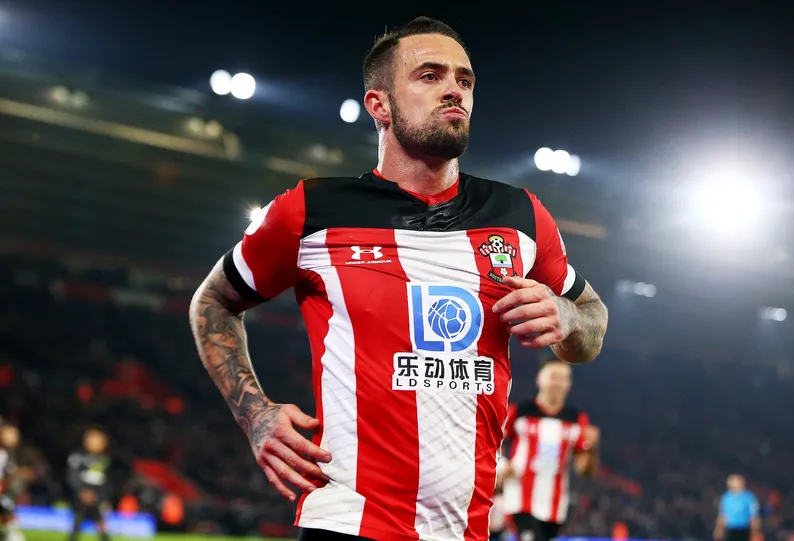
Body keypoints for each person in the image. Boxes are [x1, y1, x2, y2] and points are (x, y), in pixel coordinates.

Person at [189, 15, 608, 541]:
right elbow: (213, 301)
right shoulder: (312, 210)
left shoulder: (521, 216)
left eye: (464, 79)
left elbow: (592, 323)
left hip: (467, 530)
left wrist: (567, 315)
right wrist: (255, 414)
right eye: (430, 76)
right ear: (379, 105)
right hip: (346, 523)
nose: (454, 90)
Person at [498, 359, 599, 541]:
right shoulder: (520, 412)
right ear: (539, 379)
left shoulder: (576, 419)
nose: (558, 383)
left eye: (563, 378)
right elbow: (494, 442)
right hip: (520, 500)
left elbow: (584, 470)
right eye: (553, 377)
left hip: (555, 507)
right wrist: (502, 465)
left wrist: (592, 448)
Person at [67, 428, 112, 541]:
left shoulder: (105, 460)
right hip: (82, 496)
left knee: (100, 519)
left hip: (97, 496)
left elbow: (106, 482)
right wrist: (82, 491)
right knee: (79, 516)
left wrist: (105, 498)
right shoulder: (78, 457)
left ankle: (104, 537)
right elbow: (72, 476)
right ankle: (73, 537)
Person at [714, 474, 760, 541]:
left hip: (744, 528)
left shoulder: (749, 497)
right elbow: (722, 514)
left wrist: (755, 532)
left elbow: (754, 516)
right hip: (730, 528)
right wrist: (719, 529)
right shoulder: (726, 498)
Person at [0, 423, 24, 541]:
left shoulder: (7, 454)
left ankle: (11, 533)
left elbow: (9, 472)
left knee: (6, 506)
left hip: (2, 490)